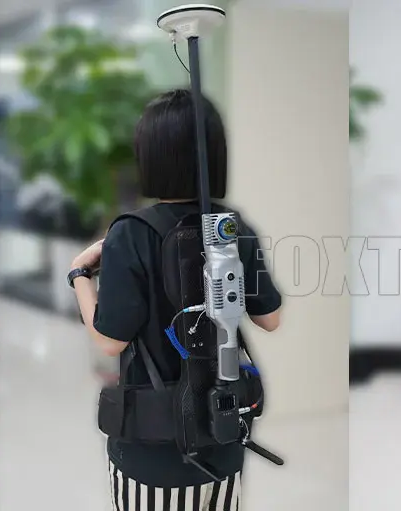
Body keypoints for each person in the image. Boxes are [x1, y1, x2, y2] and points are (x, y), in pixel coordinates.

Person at [70, 89, 282, 511]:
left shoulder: (130, 233)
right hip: (223, 435)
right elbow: (270, 318)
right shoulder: (231, 228)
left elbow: (110, 340)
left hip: (152, 451)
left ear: (151, 156)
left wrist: (79, 274)